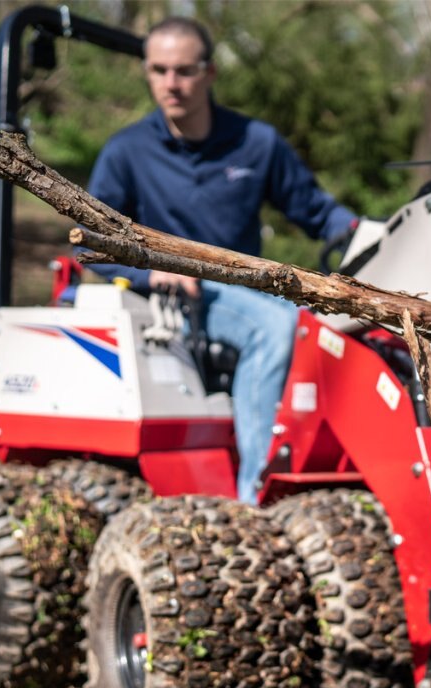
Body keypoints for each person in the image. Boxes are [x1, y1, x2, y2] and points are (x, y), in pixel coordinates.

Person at [86, 16, 357, 504]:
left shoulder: (255, 142)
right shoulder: (127, 151)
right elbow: (93, 242)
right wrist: (151, 271)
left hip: (249, 288)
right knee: (273, 331)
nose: (171, 83)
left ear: (210, 73)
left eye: (185, 70)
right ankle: (257, 499)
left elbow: (316, 211)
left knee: (334, 332)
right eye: (159, 70)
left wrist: (363, 236)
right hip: (177, 302)